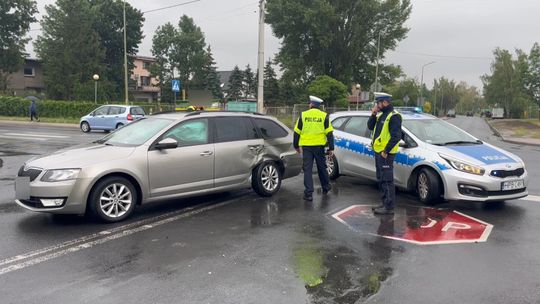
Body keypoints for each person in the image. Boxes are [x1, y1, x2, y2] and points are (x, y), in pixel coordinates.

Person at [293, 95, 334, 201]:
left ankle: (308, 193)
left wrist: (296, 146)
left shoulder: (303, 115)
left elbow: (297, 132)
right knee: (322, 168)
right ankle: (326, 187)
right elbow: (329, 133)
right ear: (319, 106)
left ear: (311, 104)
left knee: (307, 170)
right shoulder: (324, 116)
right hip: (319, 147)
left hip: (306, 147)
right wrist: (331, 148)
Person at [367, 92, 402, 215]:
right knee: (380, 178)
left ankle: (389, 207)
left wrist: (386, 151)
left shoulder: (394, 116)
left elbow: (396, 136)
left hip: (386, 154)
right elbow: (370, 127)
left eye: (379, 103)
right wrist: (373, 113)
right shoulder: (381, 115)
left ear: (385, 102)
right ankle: (384, 203)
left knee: (387, 180)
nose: (377, 105)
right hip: (378, 152)